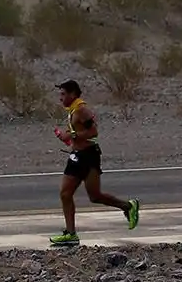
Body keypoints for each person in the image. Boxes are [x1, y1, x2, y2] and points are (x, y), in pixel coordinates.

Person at [50, 79, 139, 247]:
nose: (60, 98)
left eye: (63, 94)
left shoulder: (82, 110)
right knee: (65, 194)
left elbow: (93, 132)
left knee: (95, 196)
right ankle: (71, 234)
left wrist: (72, 136)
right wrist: (66, 136)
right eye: (59, 94)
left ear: (73, 94)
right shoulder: (73, 110)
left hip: (89, 156)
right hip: (77, 155)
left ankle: (128, 206)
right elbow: (76, 131)